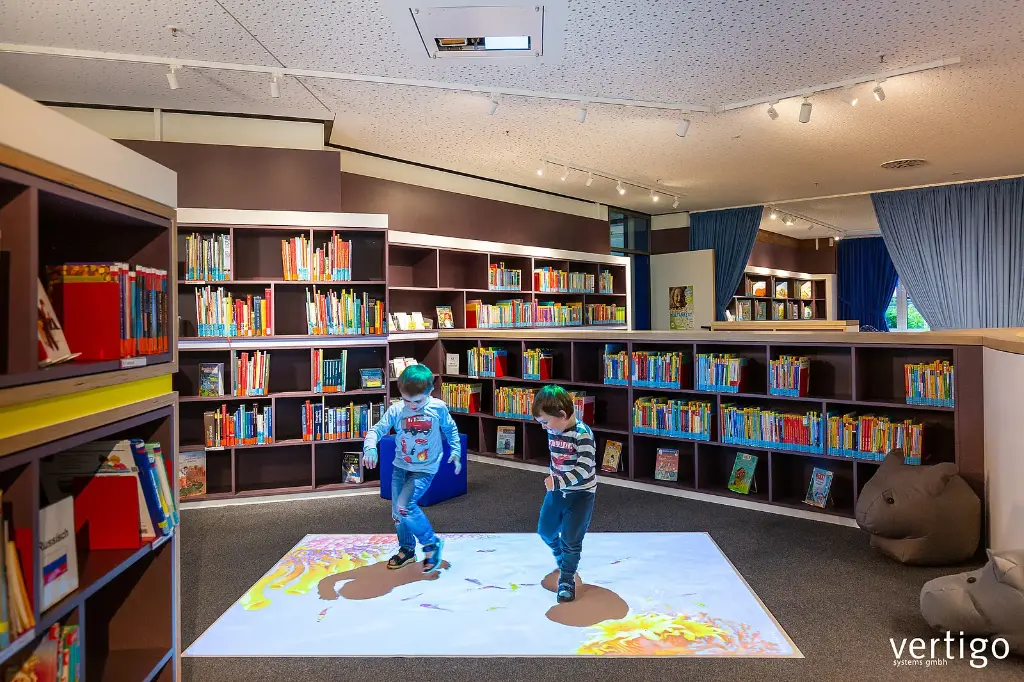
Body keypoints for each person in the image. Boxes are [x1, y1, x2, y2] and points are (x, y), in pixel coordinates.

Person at [363, 364, 462, 573]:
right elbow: (377, 429)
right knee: (398, 514)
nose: (412, 405)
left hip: (425, 469)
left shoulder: (438, 408)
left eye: (417, 400)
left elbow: (451, 429)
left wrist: (456, 450)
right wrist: (370, 447)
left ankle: (431, 544)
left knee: (404, 506)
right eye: (407, 400)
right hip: (400, 467)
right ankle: (407, 549)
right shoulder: (397, 410)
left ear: (429, 392)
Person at [532, 385, 597, 603]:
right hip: (557, 492)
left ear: (561, 415)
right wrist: (556, 481)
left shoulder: (583, 435)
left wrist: (558, 481)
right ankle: (561, 557)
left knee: (571, 538)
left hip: (581, 495)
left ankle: (566, 579)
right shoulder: (554, 429)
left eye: (545, 422)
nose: (544, 428)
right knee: (545, 530)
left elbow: (584, 469)